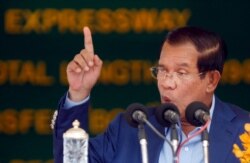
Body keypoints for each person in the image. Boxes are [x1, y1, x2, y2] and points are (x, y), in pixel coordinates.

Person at [52, 26, 250, 163]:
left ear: (212, 80)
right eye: (162, 71)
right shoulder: (130, 128)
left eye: (181, 73)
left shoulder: (244, 130)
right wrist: (78, 93)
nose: (166, 83)